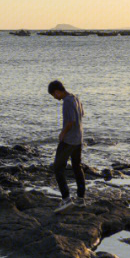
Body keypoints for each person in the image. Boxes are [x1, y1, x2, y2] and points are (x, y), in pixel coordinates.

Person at [48, 80, 85, 212]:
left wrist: (62, 133)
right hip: (78, 139)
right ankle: (81, 198)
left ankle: (66, 198)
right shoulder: (75, 98)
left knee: (58, 168)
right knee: (77, 167)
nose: (55, 98)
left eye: (54, 95)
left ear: (57, 91)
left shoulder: (67, 102)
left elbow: (71, 121)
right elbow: (82, 115)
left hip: (69, 140)